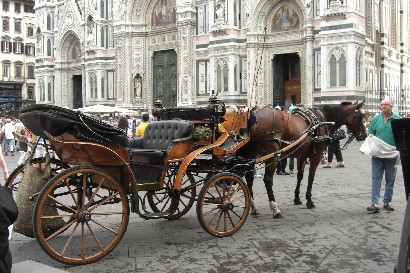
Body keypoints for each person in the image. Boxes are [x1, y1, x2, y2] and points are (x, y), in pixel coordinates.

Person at [367, 98, 401, 213]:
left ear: (391, 106)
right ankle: (374, 203)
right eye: (381, 105)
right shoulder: (376, 119)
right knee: (376, 178)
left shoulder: (397, 119)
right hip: (377, 154)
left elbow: (402, 135)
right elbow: (371, 131)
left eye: (386, 105)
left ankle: (387, 201)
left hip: (391, 154)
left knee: (390, 179)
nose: (383, 107)